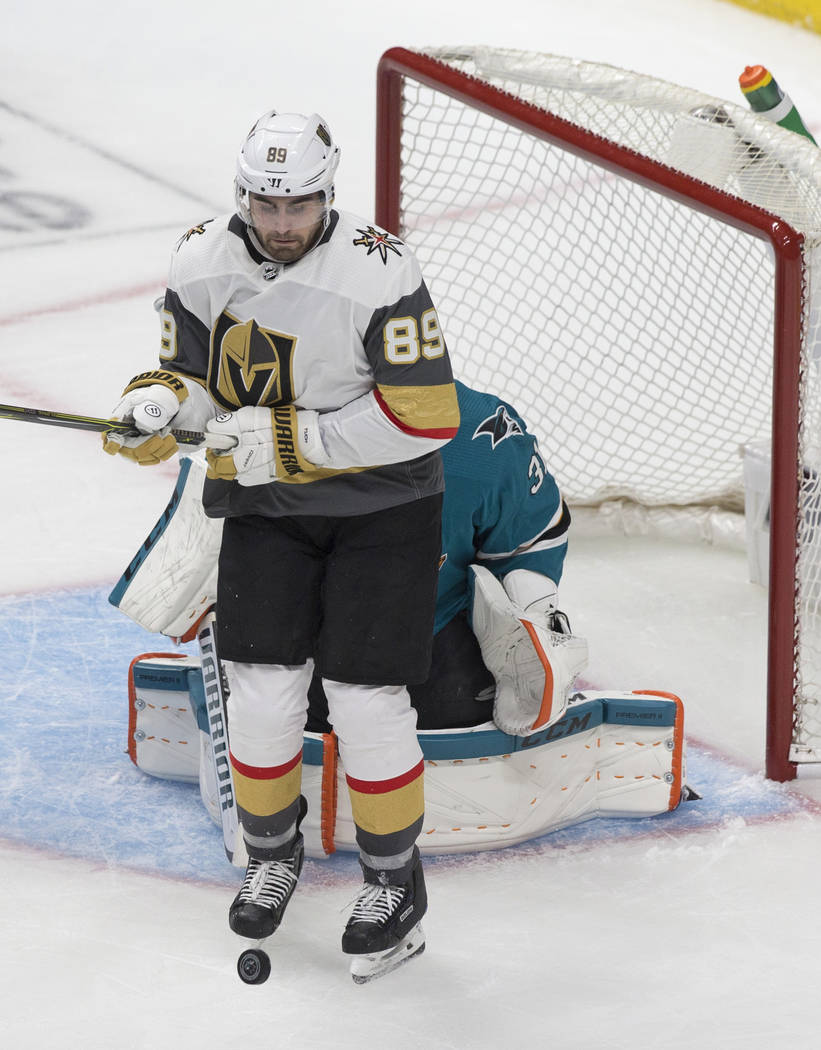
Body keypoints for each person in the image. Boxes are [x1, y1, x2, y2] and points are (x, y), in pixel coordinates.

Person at [102, 110, 460, 983]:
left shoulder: (381, 271)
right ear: (242, 196)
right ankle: (272, 852)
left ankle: (392, 881)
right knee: (261, 690)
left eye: (298, 204)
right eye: (265, 204)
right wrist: (159, 407)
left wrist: (286, 443)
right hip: (267, 509)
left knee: (364, 701)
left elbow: (425, 415)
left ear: (327, 195)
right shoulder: (200, 258)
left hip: (384, 510)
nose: (281, 223)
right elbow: (186, 374)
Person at [306, 378, 582, 736]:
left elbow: (532, 535)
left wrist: (527, 608)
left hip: (432, 629)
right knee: (283, 710)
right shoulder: (275, 425)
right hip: (311, 633)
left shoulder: (480, 435)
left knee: (454, 713)